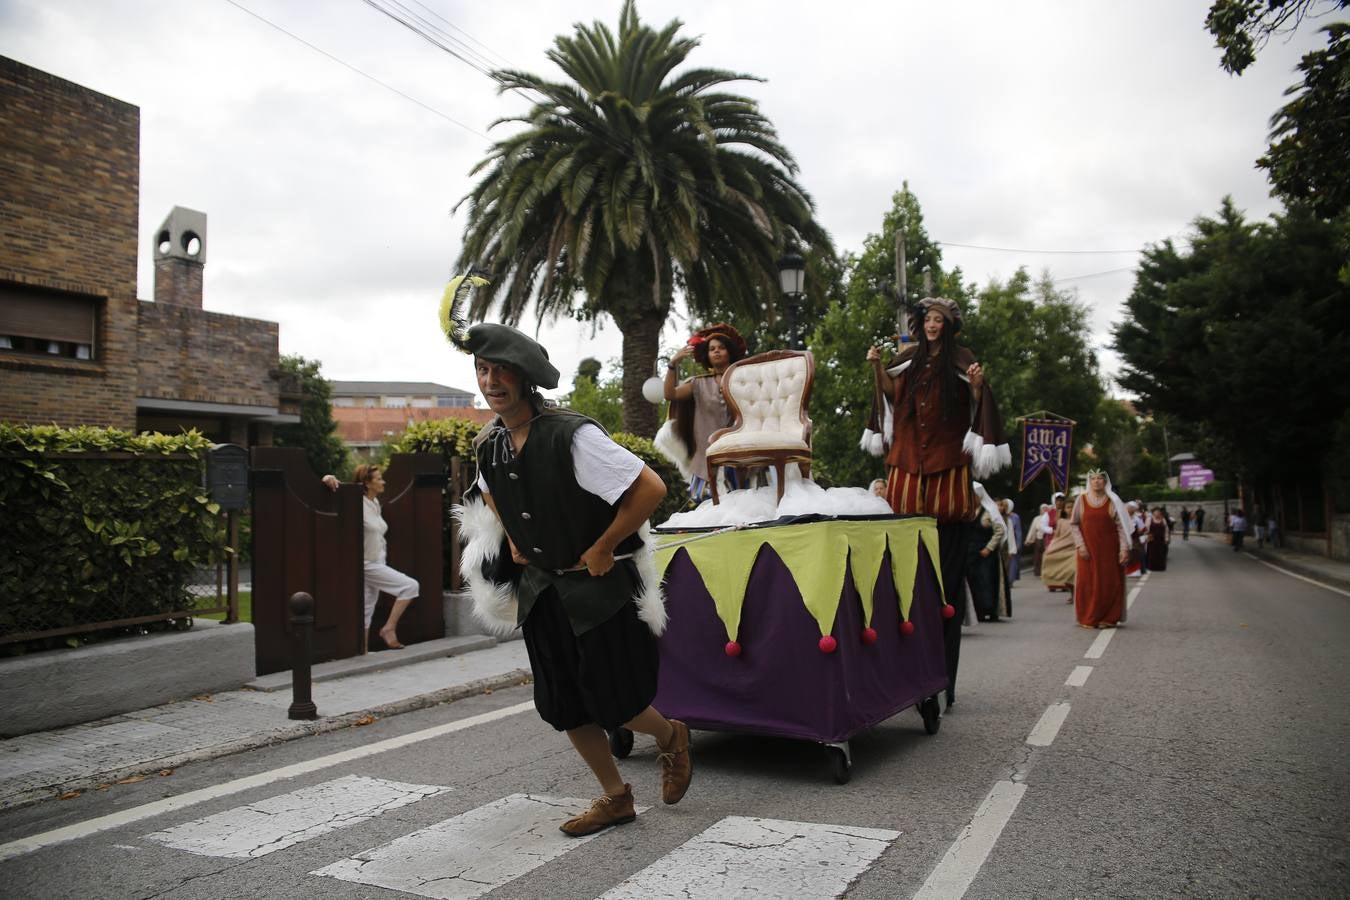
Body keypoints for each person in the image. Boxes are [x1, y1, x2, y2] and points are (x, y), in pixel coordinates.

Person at [452, 320, 692, 838]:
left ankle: (672, 737)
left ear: (524, 378)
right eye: (482, 370)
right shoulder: (488, 445)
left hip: (597, 589)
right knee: (564, 703)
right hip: (542, 591)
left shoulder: (572, 435)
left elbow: (648, 489)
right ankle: (615, 797)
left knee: (616, 701)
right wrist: (513, 538)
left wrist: (605, 545)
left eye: (501, 372)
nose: (490, 381)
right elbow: (488, 491)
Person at [863, 297, 1010, 710]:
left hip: (948, 481)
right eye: (926, 319)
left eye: (938, 320)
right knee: (904, 590)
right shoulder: (906, 360)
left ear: (948, 327)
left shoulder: (964, 362)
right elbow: (890, 393)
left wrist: (978, 388)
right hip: (907, 478)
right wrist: (877, 366)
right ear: (919, 324)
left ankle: (944, 679)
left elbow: (979, 407)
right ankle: (904, 676)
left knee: (945, 595)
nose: (931, 325)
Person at [322, 466, 419, 653]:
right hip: (367, 563)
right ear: (367, 483)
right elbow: (334, 487)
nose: (383, 482)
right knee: (410, 586)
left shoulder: (374, 504)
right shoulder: (356, 501)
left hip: (377, 561)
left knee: (366, 609)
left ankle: (362, 651)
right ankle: (388, 629)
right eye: (379, 479)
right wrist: (327, 477)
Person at [655, 323, 750, 501]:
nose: (716, 351)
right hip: (707, 456)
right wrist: (673, 364)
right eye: (712, 348)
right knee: (711, 503)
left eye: (721, 347)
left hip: (740, 455)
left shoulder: (744, 378)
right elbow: (670, 394)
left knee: (745, 499)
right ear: (707, 355)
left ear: (729, 351)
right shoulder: (698, 384)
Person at [1069, 469, 1132, 629]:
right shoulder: (1081, 500)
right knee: (1087, 583)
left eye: (1100, 479)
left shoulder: (1113, 501)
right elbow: (1074, 524)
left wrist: (1123, 549)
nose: (1096, 481)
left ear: (1105, 482)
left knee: (1109, 584)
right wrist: (1080, 545)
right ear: (1089, 482)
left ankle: (1108, 617)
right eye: (1093, 479)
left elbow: (1121, 527)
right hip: (1087, 550)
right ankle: (1088, 617)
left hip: (1109, 551)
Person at [965, 484, 1007, 622]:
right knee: (973, 582)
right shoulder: (968, 512)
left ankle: (990, 610)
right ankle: (978, 611)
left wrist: (989, 548)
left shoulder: (989, 512)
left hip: (986, 555)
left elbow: (999, 531)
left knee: (987, 581)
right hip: (971, 554)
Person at [1041, 492, 1077, 596]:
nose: (1059, 503)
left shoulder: (1079, 519)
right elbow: (1048, 530)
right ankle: (1061, 586)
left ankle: (1074, 592)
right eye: (1058, 501)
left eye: (1061, 501)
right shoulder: (1052, 515)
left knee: (1073, 571)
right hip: (1060, 546)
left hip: (1075, 549)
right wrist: (1053, 530)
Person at [1026, 503, 1051, 576]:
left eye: (1046, 508)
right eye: (1043, 508)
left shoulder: (1050, 517)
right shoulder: (1036, 519)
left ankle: (1047, 571)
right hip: (1039, 539)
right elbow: (1032, 530)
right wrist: (1028, 540)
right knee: (1037, 557)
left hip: (1048, 539)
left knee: (1047, 556)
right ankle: (1038, 571)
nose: (1044, 510)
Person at [1146, 507, 1171, 571]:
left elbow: (1166, 530)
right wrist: (1147, 536)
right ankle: (1151, 567)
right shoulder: (1149, 519)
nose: (1157, 513)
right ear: (1153, 513)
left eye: (1158, 512)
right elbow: (1146, 529)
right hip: (1152, 539)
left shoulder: (1163, 520)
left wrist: (1166, 538)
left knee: (1161, 554)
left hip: (1161, 539)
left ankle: (1160, 567)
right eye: (1155, 512)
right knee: (1152, 553)